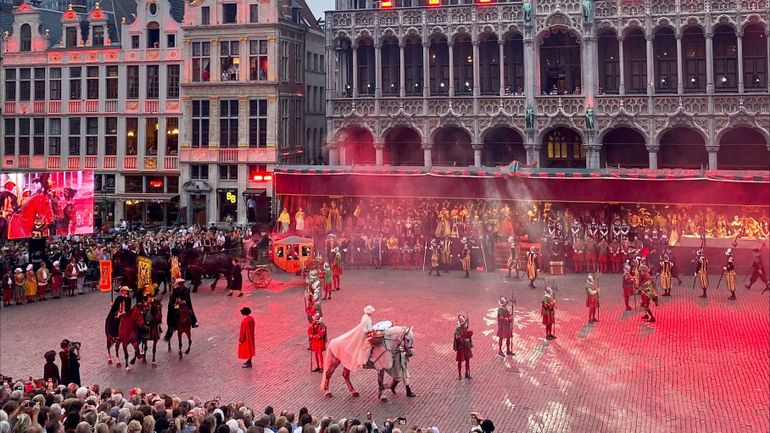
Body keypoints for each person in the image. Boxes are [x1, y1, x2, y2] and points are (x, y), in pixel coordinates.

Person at [330, 305, 375, 372]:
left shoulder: (367, 317)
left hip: (367, 333)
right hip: (365, 335)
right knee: (368, 347)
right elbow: (364, 328)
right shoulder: (365, 318)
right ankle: (366, 361)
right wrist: (369, 332)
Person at [453, 315, 473, 380]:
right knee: (460, 361)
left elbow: (467, 335)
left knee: (467, 360)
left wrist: (469, 334)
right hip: (461, 348)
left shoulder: (465, 328)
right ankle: (459, 374)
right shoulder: (457, 330)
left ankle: (467, 373)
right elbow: (458, 339)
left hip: (466, 347)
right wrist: (465, 340)